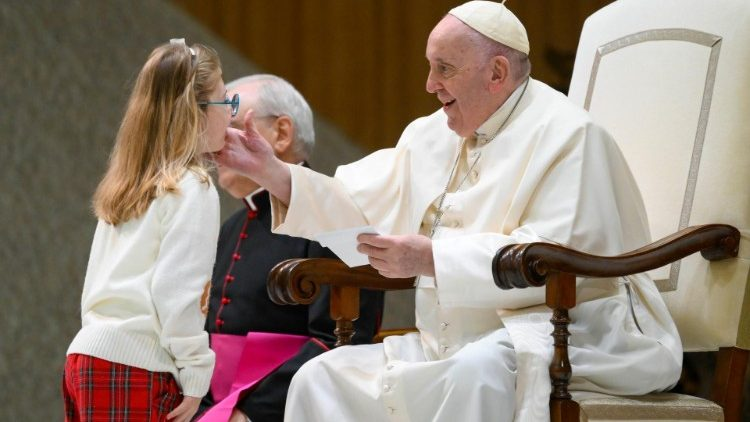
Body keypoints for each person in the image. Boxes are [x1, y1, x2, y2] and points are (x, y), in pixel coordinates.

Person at [216, 1, 683, 421]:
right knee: (322, 376)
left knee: (475, 373)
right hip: (446, 341)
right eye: (430, 67)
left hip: (552, 332)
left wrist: (430, 259)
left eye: (444, 69)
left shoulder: (571, 137)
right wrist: (272, 172)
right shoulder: (430, 133)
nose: (429, 84)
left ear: (496, 73)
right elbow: (354, 204)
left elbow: (557, 256)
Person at [63, 39, 235, 422]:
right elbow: (178, 292)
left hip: (86, 357)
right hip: (136, 365)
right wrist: (195, 374)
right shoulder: (192, 186)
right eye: (227, 103)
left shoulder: (129, 183)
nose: (232, 116)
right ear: (198, 113)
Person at [195, 74, 384, 422]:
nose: (213, 147)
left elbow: (339, 341)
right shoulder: (230, 228)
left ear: (281, 133)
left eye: (229, 127)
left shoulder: (339, 214)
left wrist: (250, 412)